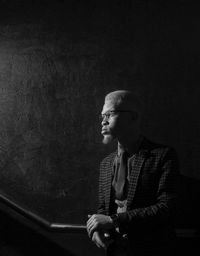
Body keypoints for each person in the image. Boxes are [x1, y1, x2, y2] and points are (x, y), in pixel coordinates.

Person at [86, 90, 179, 256]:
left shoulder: (163, 155)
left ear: (133, 117)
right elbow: (103, 208)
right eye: (102, 116)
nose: (103, 121)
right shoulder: (107, 163)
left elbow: (167, 207)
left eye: (109, 114)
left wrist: (112, 220)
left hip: (153, 249)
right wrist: (96, 228)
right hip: (116, 250)